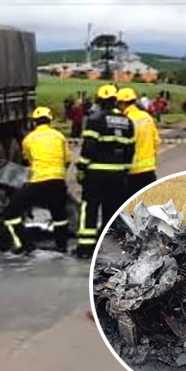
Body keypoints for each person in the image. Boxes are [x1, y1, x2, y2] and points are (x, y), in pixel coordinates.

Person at [75, 84, 135, 258]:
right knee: (112, 211)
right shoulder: (127, 121)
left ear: (99, 101)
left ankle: (86, 248)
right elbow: (130, 150)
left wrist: (81, 167)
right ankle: (107, 248)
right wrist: (124, 169)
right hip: (117, 176)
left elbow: (89, 147)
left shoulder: (95, 119)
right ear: (116, 101)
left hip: (95, 174)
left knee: (90, 209)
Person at [2, 106, 72, 253]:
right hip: (58, 181)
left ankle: (22, 244)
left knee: (11, 212)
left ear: (35, 122)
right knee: (59, 215)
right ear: (50, 121)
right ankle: (62, 245)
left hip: (38, 182)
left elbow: (27, 160)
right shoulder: (59, 136)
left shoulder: (29, 139)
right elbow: (67, 160)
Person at [117, 88, 161, 196]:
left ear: (122, 103)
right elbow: (156, 140)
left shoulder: (124, 119)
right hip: (148, 170)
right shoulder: (147, 117)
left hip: (131, 171)